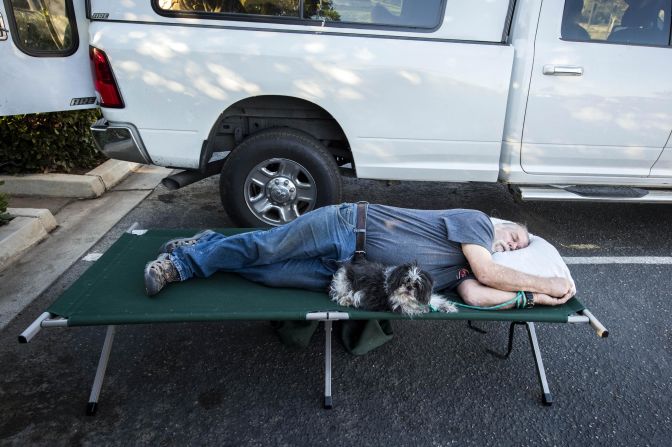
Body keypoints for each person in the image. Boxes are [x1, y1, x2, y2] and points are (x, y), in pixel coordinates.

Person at [144, 203, 575, 309]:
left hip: (357, 274)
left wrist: (536, 298)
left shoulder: (466, 271)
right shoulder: (478, 222)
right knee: (265, 246)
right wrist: (549, 283)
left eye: (520, 249)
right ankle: (180, 265)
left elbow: (480, 294)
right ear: (502, 225)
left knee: (270, 274)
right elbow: (490, 272)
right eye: (517, 236)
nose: (514, 244)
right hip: (349, 226)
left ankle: (207, 243)